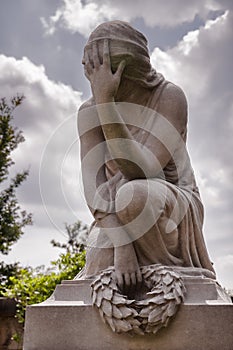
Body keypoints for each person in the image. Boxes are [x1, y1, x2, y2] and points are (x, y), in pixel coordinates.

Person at [77, 20, 215, 293]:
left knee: (135, 195)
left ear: (127, 68)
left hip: (171, 202)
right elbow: (93, 189)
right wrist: (122, 244)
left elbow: (144, 169)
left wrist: (106, 103)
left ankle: (169, 274)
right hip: (114, 210)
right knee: (101, 257)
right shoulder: (88, 112)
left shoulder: (169, 96)